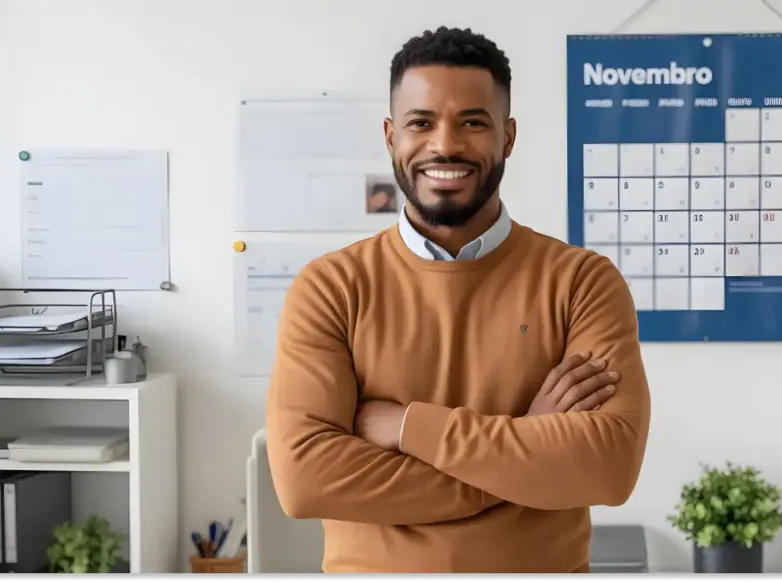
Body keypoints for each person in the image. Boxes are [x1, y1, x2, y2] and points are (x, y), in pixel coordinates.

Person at [265, 26, 651, 573]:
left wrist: (407, 427)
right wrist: (520, 458)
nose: (445, 145)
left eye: (473, 122)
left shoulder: (583, 282)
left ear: (508, 137)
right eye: (421, 122)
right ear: (390, 136)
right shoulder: (331, 287)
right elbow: (305, 481)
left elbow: (607, 468)